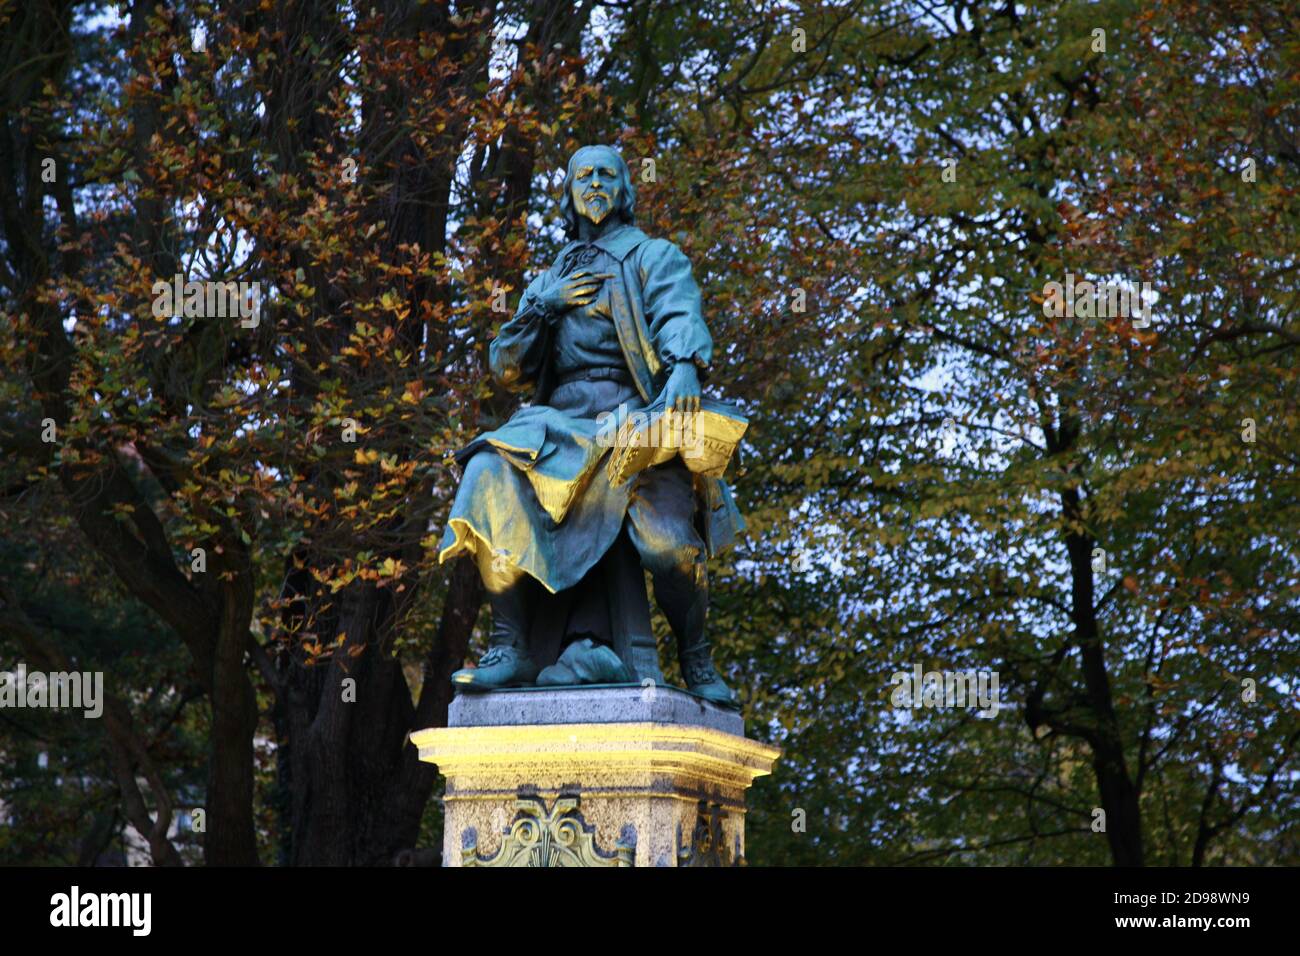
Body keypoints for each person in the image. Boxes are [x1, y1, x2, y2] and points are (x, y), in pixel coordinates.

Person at [437, 144, 744, 707]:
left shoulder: (654, 255)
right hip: (559, 430)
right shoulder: (552, 276)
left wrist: (682, 369)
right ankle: (510, 646)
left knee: (667, 548)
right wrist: (540, 306)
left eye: (608, 174)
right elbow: (507, 367)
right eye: (584, 176)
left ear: (625, 189)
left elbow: (680, 314)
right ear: (570, 191)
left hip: (635, 424)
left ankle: (696, 655)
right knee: (484, 469)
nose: (596, 184)